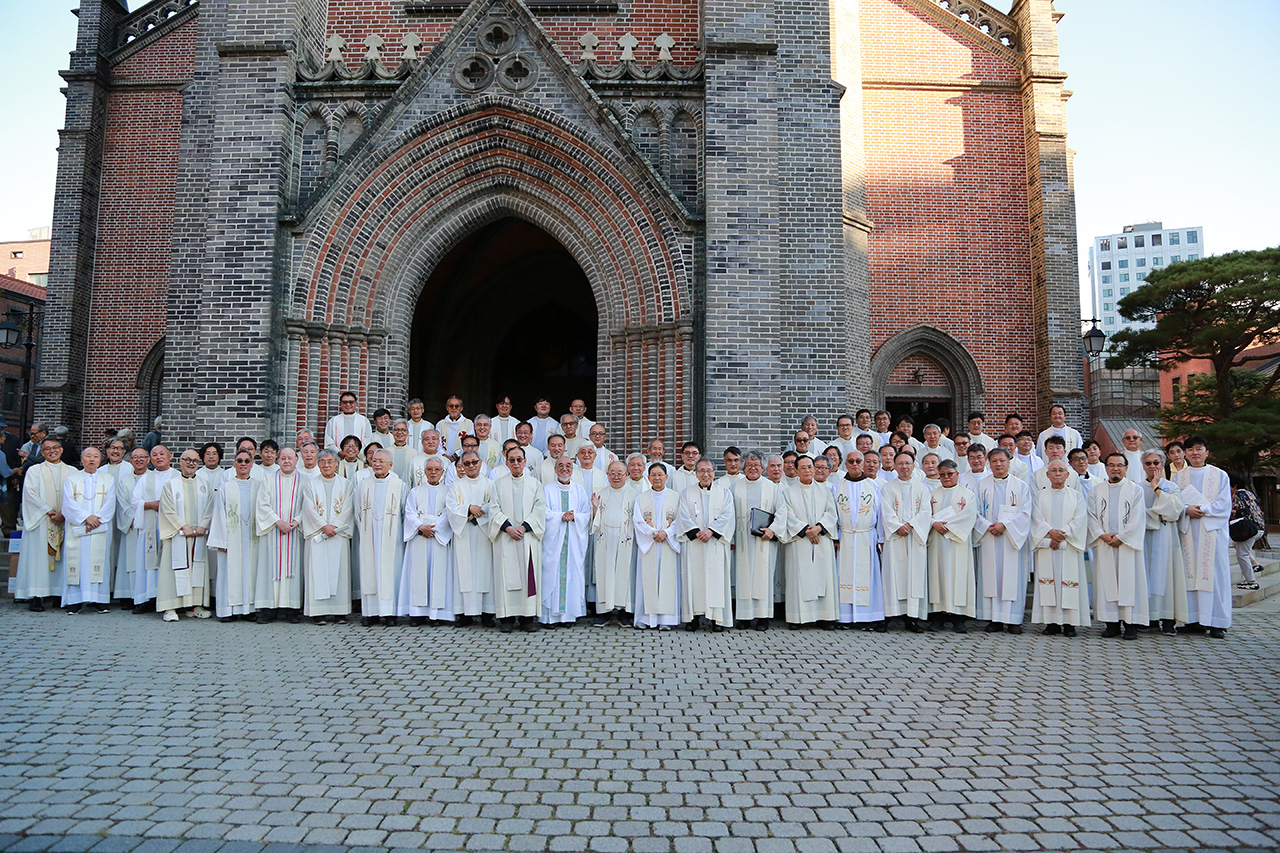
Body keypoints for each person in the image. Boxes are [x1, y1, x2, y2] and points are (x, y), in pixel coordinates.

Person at [1172, 436, 1232, 638]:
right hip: (1188, 531)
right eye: (1190, 449)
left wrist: (1204, 510)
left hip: (1211, 532)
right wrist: (1186, 509)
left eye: (1199, 448)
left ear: (1207, 452)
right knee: (1189, 575)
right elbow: (1174, 503)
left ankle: (1216, 622)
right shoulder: (1179, 478)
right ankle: (1192, 620)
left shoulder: (1220, 475)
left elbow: (1224, 504)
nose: (1194, 453)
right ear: (1185, 454)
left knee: (1214, 577)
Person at [1088, 453, 1149, 640]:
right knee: (1107, 584)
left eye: (1120, 465)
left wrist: (1122, 537)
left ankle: (1131, 624)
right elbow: (1090, 516)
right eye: (1111, 465)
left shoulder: (1135, 490)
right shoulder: (1096, 491)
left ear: (1126, 468)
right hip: (1105, 543)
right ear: (1106, 467)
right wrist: (1102, 535)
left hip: (1127, 545)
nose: (1115, 468)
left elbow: (1138, 518)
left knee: (1130, 583)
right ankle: (1111, 624)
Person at [972, 449, 1032, 634]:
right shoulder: (981, 485)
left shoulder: (1021, 486)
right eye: (994, 461)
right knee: (991, 577)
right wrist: (988, 526)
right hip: (989, 536)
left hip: (1011, 539)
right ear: (989, 463)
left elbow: (1025, 513)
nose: (998, 464)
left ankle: (1014, 620)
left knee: (1013, 579)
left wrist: (1005, 526)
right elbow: (974, 511)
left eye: (1002, 460)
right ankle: (994, 619)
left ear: (1008, 462)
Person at [487, 446, 545, 632]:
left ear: (525, 461)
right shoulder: (498, 484)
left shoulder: (535, 484)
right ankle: (507, 619)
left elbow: (539, 510)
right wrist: (508, 527)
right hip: (506, 538)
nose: (516, 463)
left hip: (527, 538)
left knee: (528, 577)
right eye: (512, 460)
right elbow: (493, 509)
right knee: (506, 577)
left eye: (519, 459)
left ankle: (527, 619)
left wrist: (524, 527)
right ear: (506, 462)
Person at [1030, 459, 1090, 636]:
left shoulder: (1076, 496)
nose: (1057, 473)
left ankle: (1070, 623)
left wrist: (1062, 533)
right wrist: (1051, 532)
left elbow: (1080, 519)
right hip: (1047, 546)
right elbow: (1036, 518)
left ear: (1067, 474)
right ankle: (1051, 623)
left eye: (1061, 470)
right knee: (1048, 582)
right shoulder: (1039, 496)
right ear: (1047, 475)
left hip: (1068, 546)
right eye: (1054, 470)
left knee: (1069, 582)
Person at [156, 449, 215, 623]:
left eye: (195, 461)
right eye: (187, 460)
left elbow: (210, 508)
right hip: (178, 535)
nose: (191, 463)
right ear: (180, 461)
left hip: (198, 535)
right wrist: (183, 526)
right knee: (172, 571)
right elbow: (167, 509)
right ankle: (170, 607)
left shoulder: (205, 485)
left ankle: (195, 606)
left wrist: (203, 525)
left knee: (197, 570)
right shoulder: (170, 485)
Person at [729, 451, 786, 629]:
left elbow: (782, 511)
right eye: (749, 465)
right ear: (744, 468)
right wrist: (731, 537)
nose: (753, 468)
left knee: (763, 576)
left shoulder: (772, 488)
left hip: (764, 539)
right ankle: (744, 617)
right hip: (742, 540)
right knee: (743, 577)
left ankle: (763, 616)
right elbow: (728, 513)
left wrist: (773, 530)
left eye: (757, 465)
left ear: (762, 468)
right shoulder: (735, 487)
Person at [676, 458, 734, 631]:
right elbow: (683, 515)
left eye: (709, 470)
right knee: (693, 581)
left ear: (714, 473)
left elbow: (727, 515)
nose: (705, 474)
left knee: (717, 581)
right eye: (701, 470)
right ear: (696, 473)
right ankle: (693, 618)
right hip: (694, 544)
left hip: (715, 543)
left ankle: (717, 619)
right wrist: (696, 532)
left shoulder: (724, 493)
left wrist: (711, 531)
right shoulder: (686, 493)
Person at [781, 456, 838, 628]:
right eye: (803, 468)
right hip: (800, 541)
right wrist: (806, 530)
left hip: (821, 539)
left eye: (810, 467)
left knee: (823, 576)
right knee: (799, 578)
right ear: (796, 471)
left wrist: (819, 528)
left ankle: (825, 617)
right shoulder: (788, 493)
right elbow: (788, 516)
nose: (807, 470)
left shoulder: (826, 490)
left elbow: (832, 513)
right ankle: (798, 618)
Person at [299, 449, 354, 624]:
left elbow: (348, 508)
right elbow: (308, 509)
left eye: (330, 461)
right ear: (318, 464)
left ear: (337, 463)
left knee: (339, 573)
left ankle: (339, 612)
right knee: (318, 573)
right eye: (322, 461)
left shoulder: (346, 485)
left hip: (338, 534)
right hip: (318, 535)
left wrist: (335, 526)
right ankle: (318, 612)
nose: (326, 465)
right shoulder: (310, 485)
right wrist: (324, 526)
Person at [207, 448, 262, 622]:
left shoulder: (259, 486)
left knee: (251, 571)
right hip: (230, 538)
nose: (243, 464)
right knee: (229, 572)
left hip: (252, 537)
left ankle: (249, 609)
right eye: (240, 461)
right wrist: (220, 540)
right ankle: (227, 611)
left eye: (247, 461)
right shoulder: (226, 487)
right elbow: (219, 513)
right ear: (234, 464)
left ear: (252, 464)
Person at [879, 451, 932, 632]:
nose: (904, 467)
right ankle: (890, 615)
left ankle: (912, 618)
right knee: (893, 576)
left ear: (913, 466)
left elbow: (926, 512)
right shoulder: (887, 488)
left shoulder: (922, 488)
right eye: (900, 463)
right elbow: (885, 511)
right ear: (894, 466)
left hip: (914, 538)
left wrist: (910, 525)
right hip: (895, 539)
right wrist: (897, 527)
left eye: (907, 463)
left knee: (914, 577)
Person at [60, 447, 116, 614]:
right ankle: (74, 601)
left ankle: (100, 600)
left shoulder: (108, 479)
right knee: (77, 562)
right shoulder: (71, 479)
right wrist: (86, 518)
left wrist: (96, 519)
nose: (92, 459)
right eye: (88, 456)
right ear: (82, 459)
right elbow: (68, 503)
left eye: (96, 456)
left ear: (100, 460)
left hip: (99, 527)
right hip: (78, 527)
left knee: (99, 561)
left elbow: (110, 502)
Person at [355, 448, 407, 626]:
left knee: (390, 573)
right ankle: (371, 613)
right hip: (369, 536)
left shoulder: (399, 485)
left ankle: (390, 613)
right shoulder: (363, 484)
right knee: (369, 570)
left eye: (381, 461)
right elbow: (358, 511)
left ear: (390, 464)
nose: (377, 464)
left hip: (392, 538)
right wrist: (366, 530)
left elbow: (403, 512)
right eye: (374, 460)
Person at [399, 455, 453, 625]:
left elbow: (449, 513)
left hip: (438, 537)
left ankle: (436, 614)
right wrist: (421, 527)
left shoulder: (449, 492)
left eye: (437, 469)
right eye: (429, 469)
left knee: (438, 575)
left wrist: (434, 528)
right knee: (418, 575)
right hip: (420, 537)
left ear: (442, 472)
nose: (433, 472)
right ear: (424, 472)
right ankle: (417, 614)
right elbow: (409, 512)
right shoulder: (415, 491)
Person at [255, 447, 307, 623]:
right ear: (278, 460)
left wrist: (296, 521)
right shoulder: (268, 480)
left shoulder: (305, 481)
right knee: (270, 568)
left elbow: (308, 506)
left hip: (295, 533)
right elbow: (262, 505)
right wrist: (278, 522)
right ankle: (269, 609)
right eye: (283, 458)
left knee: (293, 570)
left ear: (296, 460)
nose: (286, 461)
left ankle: (291, 609)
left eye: (290, 458)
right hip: (273, 532)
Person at [833, 450, 883, 631]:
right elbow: (833, 513)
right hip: (845, 537)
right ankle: (844, 618)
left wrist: (880, 537)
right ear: (845, 464)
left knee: (867, 577)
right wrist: (835, 537)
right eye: (851, 461)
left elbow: (880, 513)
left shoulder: (874, 485)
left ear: (862, 464)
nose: (854, 464)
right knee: (844, 576)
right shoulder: (837, 486)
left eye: (858, 461)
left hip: (866, 536)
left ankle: (867, 617)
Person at [926, 460, 978, 633]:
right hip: (936, 542)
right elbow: (924, 514)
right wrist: (933, 523)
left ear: (957, 474)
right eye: (942, 474)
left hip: (957, 542)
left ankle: (958, 618)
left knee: (958, 577)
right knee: (937, 577)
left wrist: (948, 527)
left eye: (950, 474)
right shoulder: (932, 494)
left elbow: (969, 515)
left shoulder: (967, 495)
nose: (946, 477)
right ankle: (937, 617)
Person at [541, 456, 591, 626]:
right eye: (560, 465)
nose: (564, 469)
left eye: (568, 465)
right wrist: (560, 516)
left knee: (572, 576)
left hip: (573, 543)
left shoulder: (579, 491)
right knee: (551, 575)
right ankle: (550, 617)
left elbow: (586, 514)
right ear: (555, 469)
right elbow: (543, 512)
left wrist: (574, 516)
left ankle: (568, 616)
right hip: (553, 543)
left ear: (573, 469)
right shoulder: (547, 490)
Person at [446, 449, 494, 625]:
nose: (471, 466)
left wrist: (474, 514)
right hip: (464, 534)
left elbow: (494, 506)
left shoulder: (491, 484)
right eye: (466, 463)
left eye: (474, 462)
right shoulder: (455, 486)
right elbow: (451, 507)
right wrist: (468, 509)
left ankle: (487, 613)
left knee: (486, 572)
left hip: (484, 534)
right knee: (463, 572)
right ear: (461, 466)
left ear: (480, 463)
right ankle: (464, 613)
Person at [1142, 450, 1186, 633]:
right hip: (1145, 539)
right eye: (1148, 463)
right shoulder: (1137, 488)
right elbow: (1136, 514)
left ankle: (1168, 619)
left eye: (1156, 463)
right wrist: (1157, 514)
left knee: (1168, 578)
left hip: (1167, 538)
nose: (1153, 467)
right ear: (1143, 466)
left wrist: (1156, 488)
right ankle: (1150, 619)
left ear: (1163, 465)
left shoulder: (1171, 487)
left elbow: (1174, 511)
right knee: (1147, 577)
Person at [633, 463, 681, 631]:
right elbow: (638, 521)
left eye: (660, 474)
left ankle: (667, 619)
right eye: (653, 475)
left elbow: (680, 520)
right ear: (648, 477)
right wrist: (654, 533)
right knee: (648, 580)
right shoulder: (641, 498)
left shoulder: (676, 497)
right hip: (650, 543)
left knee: (668, 580)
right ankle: (645, 618)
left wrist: (666, 533)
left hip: (668, 543)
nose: (657, 478)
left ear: (666, 477)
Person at [130, 444, 177, 613]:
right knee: (149, 564)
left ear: (170, 456)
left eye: (162, 453)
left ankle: (170, 600)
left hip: (172, 527)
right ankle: (148, 598)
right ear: (151, 459)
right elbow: (135, 502)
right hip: (151, 527)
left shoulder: (177, 476)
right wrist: (151, 505)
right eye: (154, 455)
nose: (159, 457)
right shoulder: (145, 478)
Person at [592, 460, 635, 626]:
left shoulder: (634, 495)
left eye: (620, 474)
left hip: (626, 540)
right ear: (607, 475)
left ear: (626, 475)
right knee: (605, 573)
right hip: (606, 540)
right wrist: (595, 508)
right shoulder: (601, 494)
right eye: (612, 474)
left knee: (625, 575)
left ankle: (624, 613)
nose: (616, 477)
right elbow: (594, 522)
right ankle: (604, 612)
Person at [112, 447, 150, 604]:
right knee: (130, 560)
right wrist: (136, 518)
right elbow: (122, 505)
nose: (139, 460)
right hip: (132, 526)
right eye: (135, 457)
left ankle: (147, 597)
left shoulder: (153, 478)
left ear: (148, 460)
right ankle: (128, 595)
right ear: (130, 461)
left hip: (150, 526)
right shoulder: (124, 482)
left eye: (142, 457)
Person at [1231, 473, 1266, 592]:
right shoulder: (1249, 493)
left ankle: (1251, 581)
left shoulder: (1237, 496)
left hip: (1249, 529)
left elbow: (1237, 512)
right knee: (1237, 545)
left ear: (1234, 485)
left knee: (1242, 554)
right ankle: (1255, 564)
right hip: (1258, 527)